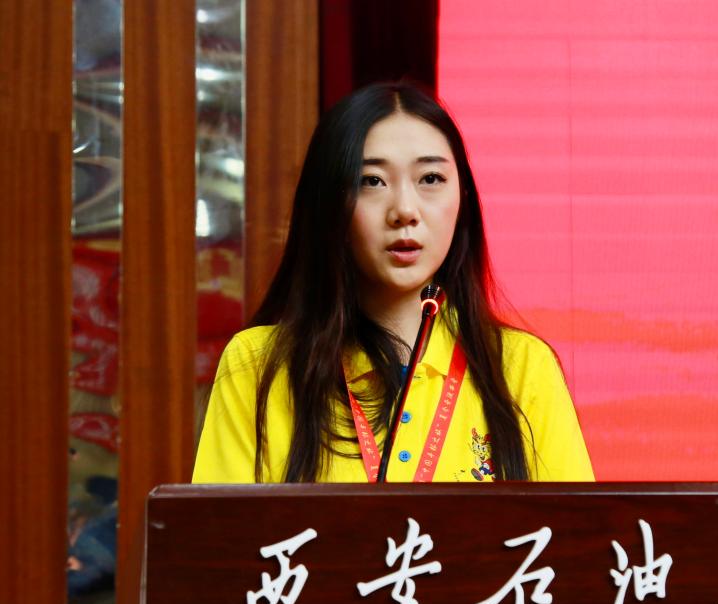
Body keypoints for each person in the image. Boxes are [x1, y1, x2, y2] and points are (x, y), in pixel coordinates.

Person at [192, 82, 593, 484]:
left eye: (430, 178)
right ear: (330, 203)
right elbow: (220, 526)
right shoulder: (255, 366)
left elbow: (575, 526)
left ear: (463, 198)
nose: (404, 210)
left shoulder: (522, 369)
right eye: (372, 181)